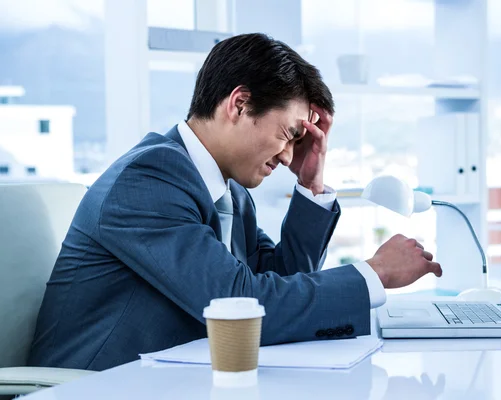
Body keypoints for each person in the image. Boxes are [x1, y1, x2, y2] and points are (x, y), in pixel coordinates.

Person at [28, 33, 442, 371]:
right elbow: (241, 304)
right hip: (96, 386)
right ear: (239, 104)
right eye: (287, 134)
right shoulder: (149, 178)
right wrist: (375, 274)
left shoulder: (231, 192)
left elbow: (279, 282)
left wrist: (311, 185)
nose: (285, 156)